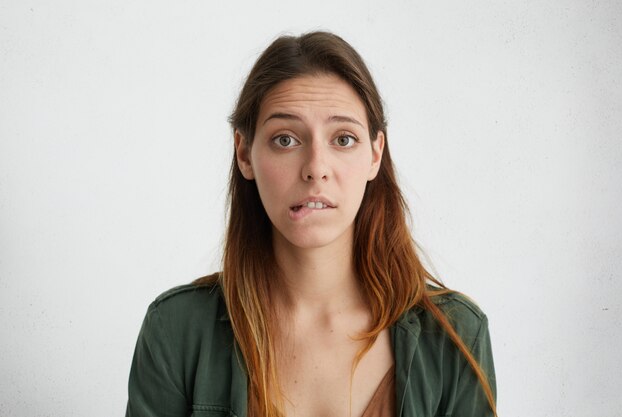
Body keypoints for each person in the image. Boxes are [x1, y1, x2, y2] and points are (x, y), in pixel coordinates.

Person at [125, 31, 497, 417]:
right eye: (285, 139)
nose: (316, 168)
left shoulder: (456, 336)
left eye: (343, 139)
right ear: (245, 153)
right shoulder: (176, 330)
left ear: (375, 154)